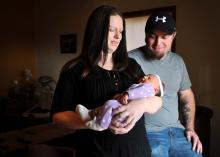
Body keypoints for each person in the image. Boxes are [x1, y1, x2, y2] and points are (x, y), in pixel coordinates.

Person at [51, 5, 162, 157]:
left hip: (138, 152)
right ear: (96, 31)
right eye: (111, 30)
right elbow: (58, 117)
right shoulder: (75, 70)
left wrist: (141, 105)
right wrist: (98, 121)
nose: (118, 36)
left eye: (121, 31)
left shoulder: (132, 66)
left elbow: (157, 100)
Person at [128, 11, 203, 157]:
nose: (158, 43)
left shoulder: (178, 61)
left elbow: (186, 95)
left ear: (174, 36)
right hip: (148, 133)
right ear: (145, 35)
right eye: (152, 36)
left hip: (178, 132)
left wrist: (190, 129)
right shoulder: (129, 60)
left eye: (164, 37)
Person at [76, 73, 164, 131]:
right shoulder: (143, 87)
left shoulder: (147, 88)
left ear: (155, 90)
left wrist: (127, 94)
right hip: (123, 109)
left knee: (109, 104)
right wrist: (120, 95)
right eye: (147, 75)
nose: (145, 77)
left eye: (149, 78)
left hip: (124, 111)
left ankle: (100, 125)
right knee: (105, 107)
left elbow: (135, 93)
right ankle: (91, 114)